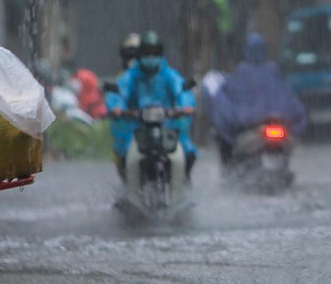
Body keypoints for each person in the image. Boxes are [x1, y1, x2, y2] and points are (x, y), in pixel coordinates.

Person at [107, 31, 197, 180]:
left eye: (155, 52)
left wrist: (185, 107)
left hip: (167, 125)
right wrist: (117, 108)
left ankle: (184, 182)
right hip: (136, 127)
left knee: (188, 152)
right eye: (147, 52)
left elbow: (181, 91)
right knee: (124, 154)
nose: (151, 56)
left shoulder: (169, 75)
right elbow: (119, 94)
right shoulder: (131, 76)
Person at [211, 33, 307, 165]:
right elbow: (293, 104)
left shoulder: (242, 72)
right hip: (277, 127)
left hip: (254, 129)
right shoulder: (274, 71)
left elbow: (227, 106)